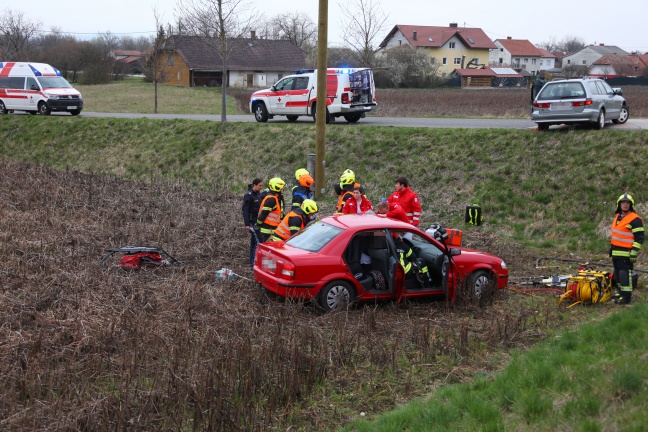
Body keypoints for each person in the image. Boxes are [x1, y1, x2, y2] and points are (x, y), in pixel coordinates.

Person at [610, 193, 644, 305]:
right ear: (619, 204)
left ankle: (626, 297)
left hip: (626, 253)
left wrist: (634, 252)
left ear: (631, 205)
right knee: (617, 274)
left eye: (627, 203)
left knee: (625, 275)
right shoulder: (618, 217)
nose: (625, 204)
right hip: (616, 252)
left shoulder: (635, 219)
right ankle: (621, 293)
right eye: (623, 202)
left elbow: (639, 238)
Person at [242, 178, 264, 267]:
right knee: (258, 242)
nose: (261, 187)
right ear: (254, 185)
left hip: (257, 221)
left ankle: (252, 263)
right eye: (260, 186)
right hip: (252, 222)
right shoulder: (248, 195)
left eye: (262, 186)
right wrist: (247, 223)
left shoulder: (258, 194)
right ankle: (254, 263)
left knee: (254, 242)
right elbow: (245, 210)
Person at [256, 177, 285, 242]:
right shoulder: (271, 200)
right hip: (268, 230)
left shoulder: (275, 198)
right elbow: (264, 213)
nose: (283, 189)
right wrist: (258, 224)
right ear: (277, 187)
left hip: (271, 229)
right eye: (282, 187)